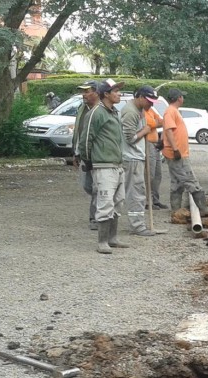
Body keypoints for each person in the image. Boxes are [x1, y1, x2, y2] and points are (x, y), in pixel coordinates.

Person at [78, 78, 130, 254]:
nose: (119, 94)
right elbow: (86, 139)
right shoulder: (97, 113)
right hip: (103, 165)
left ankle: (112, 238)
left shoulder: (114, 112)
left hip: (116, 164)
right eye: (115, 91)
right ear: (106, 94)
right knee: (105, 202)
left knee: (118, 202)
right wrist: (88, 162)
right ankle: (102, 242)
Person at [162, 88, 208, 216]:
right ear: (179, 98)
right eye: (182, 96)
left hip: (176, 153)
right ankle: (203, 209)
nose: (183, 98)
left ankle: (176, 210)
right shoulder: (171, 111)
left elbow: (167, 130)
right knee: (190, 180)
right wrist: (175, 149)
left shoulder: (172, 111)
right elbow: (169, 130)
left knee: (177, 182)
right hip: (176, 154)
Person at [120, 85, 157, 237]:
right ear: (140, 97)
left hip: (137, 156)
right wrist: (145, 131)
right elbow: (130, 139)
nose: (151, 104)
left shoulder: (140, 110)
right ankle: (137, 226)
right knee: (136, 193)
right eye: (149, 101)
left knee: (139, 191)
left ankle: (138, 223)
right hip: (132, 158)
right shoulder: (130, 112)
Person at [72, 80, 100, 230]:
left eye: (86, 91)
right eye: (82, 91)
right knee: (87, 186)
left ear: (96, 92)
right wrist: (76, 153)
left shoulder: (100, 110)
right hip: (84, 155)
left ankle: (95, 218)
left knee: (97, 188)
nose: (83, 94)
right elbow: (79, 131)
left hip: (97, 155)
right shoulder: (82, 109)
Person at [144, 103, 167, 210]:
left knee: (158, 174)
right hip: (147, 144)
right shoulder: (141, 111)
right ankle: (148, 201)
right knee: (150, 174)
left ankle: (155, 200)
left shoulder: (151, 110)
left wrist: (154, 124)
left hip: (155, 143)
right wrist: (154, 123)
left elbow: (161, 121)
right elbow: (147, 125)